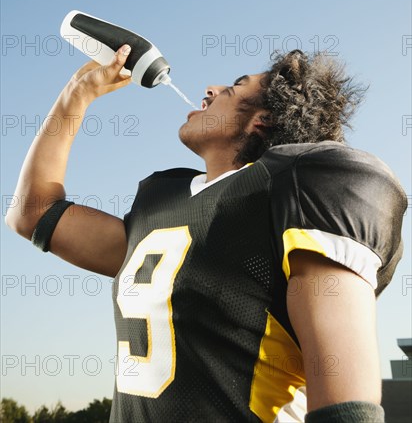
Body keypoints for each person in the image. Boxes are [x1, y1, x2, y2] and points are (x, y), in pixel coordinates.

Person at [5, 44, 407, 423]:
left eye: (233, 88)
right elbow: (32, 213)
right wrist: (78, 93)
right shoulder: (160, 201)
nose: (210, 89)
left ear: (262, 120)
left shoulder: (296, 189)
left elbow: (346, 402)